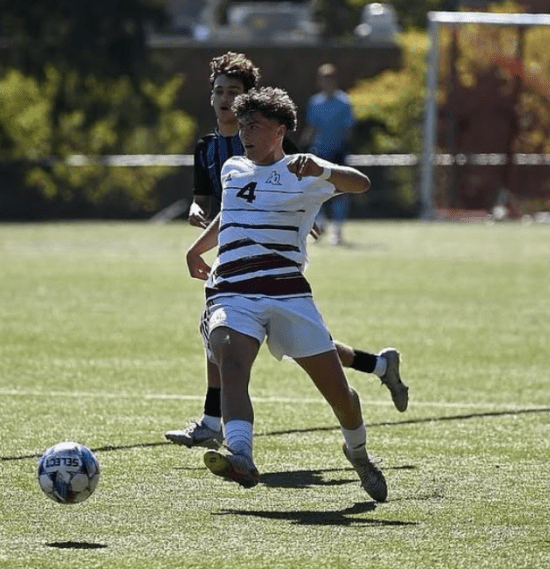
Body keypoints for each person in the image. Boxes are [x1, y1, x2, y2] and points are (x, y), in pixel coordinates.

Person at [166, 52, 408, 451]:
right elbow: (219, 203)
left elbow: (307, 179)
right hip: (231, 272)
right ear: (211, 98)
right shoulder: (212, 151)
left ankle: (376, 374)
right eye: (220, 92)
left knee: (317, 354)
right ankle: (222, 430)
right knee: (223, 340)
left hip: (279, 273)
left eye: (234, 93)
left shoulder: (276, 139)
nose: (227, 101)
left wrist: (307, 197)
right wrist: (197, 237)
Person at [186, 86, 387, 501]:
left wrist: (323, 171)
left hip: (287, 293)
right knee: (230, 358)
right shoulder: (233, 170)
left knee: (341, 396)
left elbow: (362, 183)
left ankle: (358, 452)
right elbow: (230, 214)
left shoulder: (302, 170)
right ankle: (240, 452)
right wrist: (196, 248)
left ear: (280, 130)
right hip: (232, 289)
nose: (244, 133)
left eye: (254, 126)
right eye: (242, 126)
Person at [300, 63, 356, 245]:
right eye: (324, 78)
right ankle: (321, 224)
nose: (327, 82)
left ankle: (337, 230)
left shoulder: (344, 102)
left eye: (330, 78)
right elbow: (311, 128)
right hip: (319, 152)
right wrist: (301, 147)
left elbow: (349, 129)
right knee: (316, 189)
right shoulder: (315, 102)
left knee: (340, 191)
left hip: (338, 152)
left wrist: (345, 148)